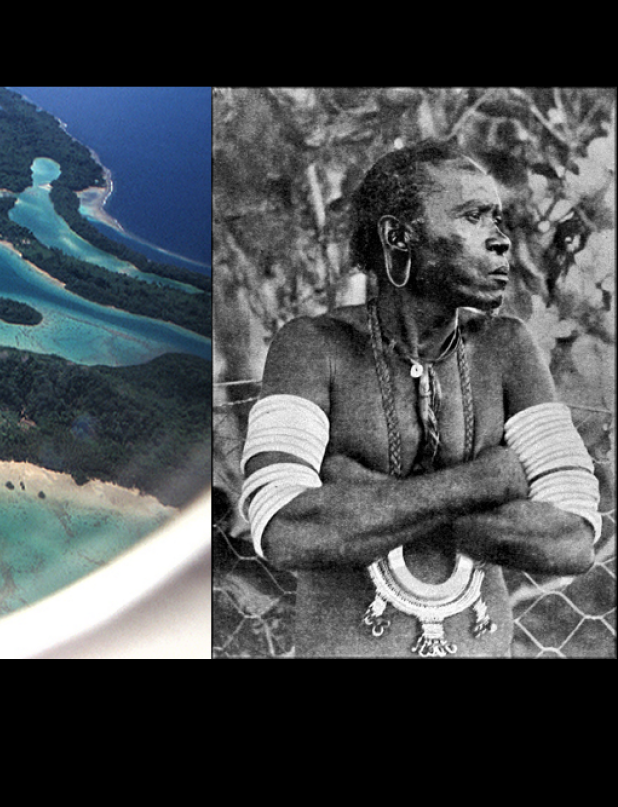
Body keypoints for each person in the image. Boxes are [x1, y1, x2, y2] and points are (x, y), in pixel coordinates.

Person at [240, 141, 599, 657]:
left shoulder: (507, 350)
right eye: (473, 217)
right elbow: (287, 530)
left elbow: (571, 540)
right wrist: (485, 480)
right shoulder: (314, 348)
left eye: (497, 219)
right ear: (398, 237)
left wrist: (363, 498)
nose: (500, 241)